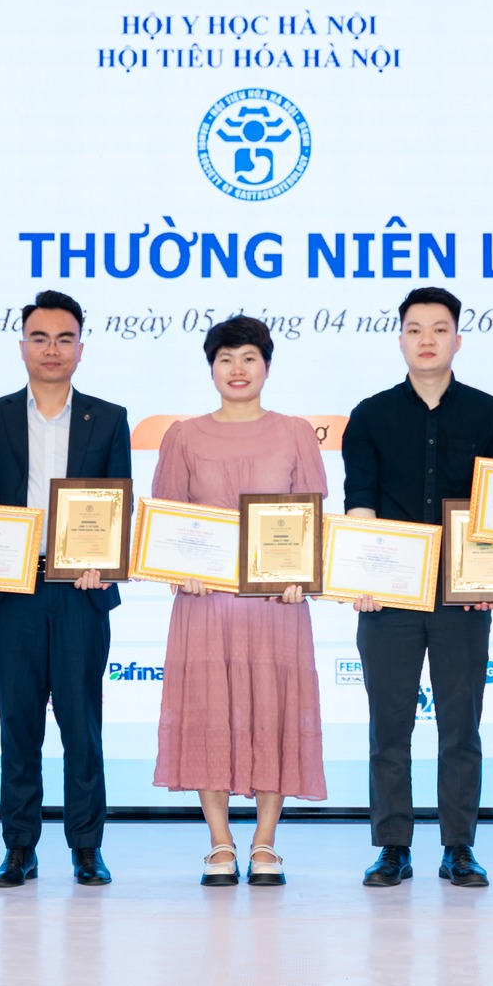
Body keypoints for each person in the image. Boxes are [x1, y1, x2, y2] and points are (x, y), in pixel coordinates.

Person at [340, 287, 493, 890]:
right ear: (401, 339)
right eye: (415, 329)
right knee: (389, 726)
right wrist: (363, 576)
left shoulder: (488, 414)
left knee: (460, 725)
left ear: (458, 338)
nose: (427, 340)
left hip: (464, 593)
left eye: (439, 329)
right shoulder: (370, 415)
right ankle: (393, 847)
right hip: (389, 595)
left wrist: (491, 576)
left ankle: (459, 846)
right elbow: (360, 500)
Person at [0, 291, 133, 888]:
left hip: (81, 591)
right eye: (40, 338)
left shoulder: (108, 418)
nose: (52, 349)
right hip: (15, 591)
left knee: (82, 726)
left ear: (81, 349)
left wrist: (104, 564)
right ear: (22, 347)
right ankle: (19, 849)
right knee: (18, 725)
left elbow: (117, 505)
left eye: (64, 339)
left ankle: (87, 848)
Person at [152, 315, 328, 887]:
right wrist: (180, 571)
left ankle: (266, 842)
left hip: (276, 606)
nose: (237, 369)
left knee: (273, 716)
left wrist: (301, 576)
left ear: (267, 367)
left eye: (249, 357)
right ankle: (220, 843)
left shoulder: (295, 433)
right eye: (225, 358)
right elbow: (167, 521)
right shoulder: (183, 436)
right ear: (211, 368)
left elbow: (310, 522)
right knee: (209, 714)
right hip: (206, 606)